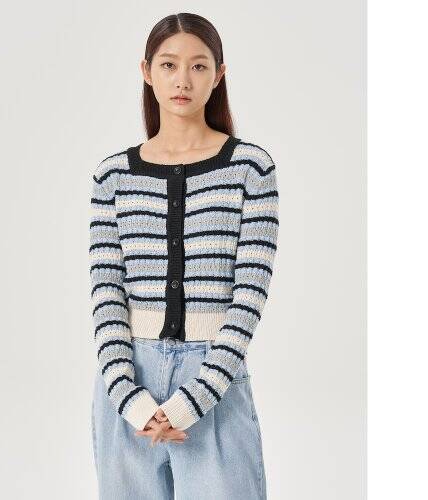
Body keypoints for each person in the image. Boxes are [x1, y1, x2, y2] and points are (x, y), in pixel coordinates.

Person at [89, 12, 279, 500]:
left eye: (198, 66)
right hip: (126, 382)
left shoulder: (250, 168)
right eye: (169, 65)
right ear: (147, 71)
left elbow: (249, 294)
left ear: (218, 75)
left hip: (215, 376)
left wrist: (193, 400)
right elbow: (106, 293)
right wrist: (129, 399)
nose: (182, 80)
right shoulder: (113, 176)